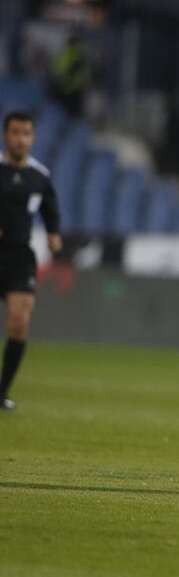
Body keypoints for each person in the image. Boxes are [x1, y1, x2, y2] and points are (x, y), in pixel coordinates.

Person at [0, 111, 63, 409]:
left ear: (33, 138)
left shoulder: (39, 176)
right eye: (15, 132)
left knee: (19, 322)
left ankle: (2, 393)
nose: (20, 139)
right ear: (5, 135)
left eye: (26, 133)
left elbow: (50, 209)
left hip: (20, 256)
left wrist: (53, 233)